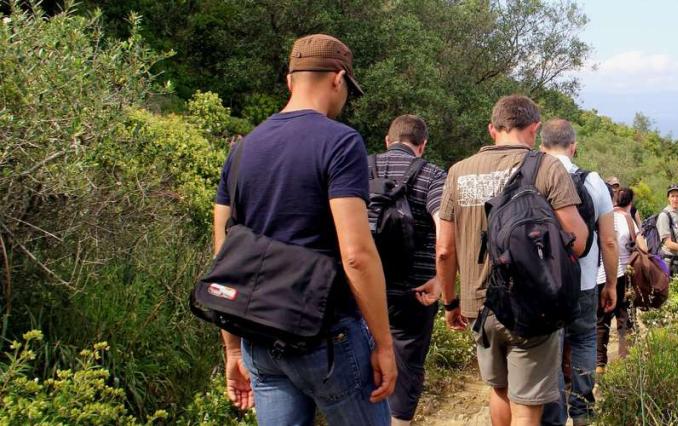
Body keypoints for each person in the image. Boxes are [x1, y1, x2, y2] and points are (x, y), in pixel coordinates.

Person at [213, 34, 395, 425]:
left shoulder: (242, 149)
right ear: (337, 78)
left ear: (290, 80)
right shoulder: (341, 142)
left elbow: (223, 257)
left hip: (258, 335)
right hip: (326, 336)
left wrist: (231, 351)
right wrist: (383, 344)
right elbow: (356, 254)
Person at [435, 95, 588, 426]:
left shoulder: (458, 172)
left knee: (500, 389)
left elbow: (444, 249)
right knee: (527, 405)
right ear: (534, 128)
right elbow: (578, 242)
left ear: (492, 129)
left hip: (478, 303)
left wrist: (450, 302)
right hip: (531, 304)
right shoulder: (546, 167)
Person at [539, 120, 618, 426]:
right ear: (573, 146)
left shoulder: (533, 175)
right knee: (585, 340)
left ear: (542, 147)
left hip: (545, 283)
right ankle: (583, 413)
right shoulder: (593, 181)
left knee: (551, 348)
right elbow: (609, 240)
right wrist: (610, 283)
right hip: (584, 282)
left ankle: (553, 414)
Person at [370, 115, 447, 425]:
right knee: (408, 364)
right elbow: (444, 235)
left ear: (388, 140)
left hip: (363, 285)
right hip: (415, 291)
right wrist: (442, 280)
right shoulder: (433, 175)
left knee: (360, 359)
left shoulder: (360, 166)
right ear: (423, 145)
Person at [596, 187, 637, 372]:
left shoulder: (600, 217)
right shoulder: (627, 219)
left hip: (598, 275)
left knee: (601, 320)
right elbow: (641, 246)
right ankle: (624, 364)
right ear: (630, 203)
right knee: (625, 319)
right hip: (621, 274)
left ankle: (599, 364)